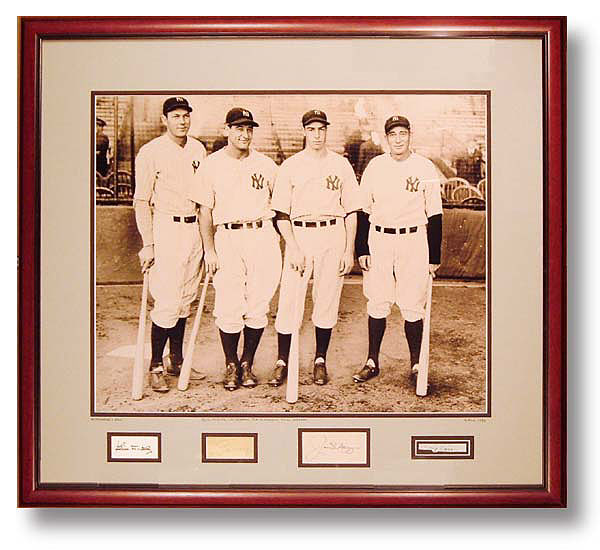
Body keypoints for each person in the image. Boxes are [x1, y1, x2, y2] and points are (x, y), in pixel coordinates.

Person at [189, 108, 281, 391]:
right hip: (227, 237)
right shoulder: (211, 165)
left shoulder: (267, 165)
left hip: (262, 235)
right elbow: (204, 212)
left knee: (257, 305)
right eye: (238, 128)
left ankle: (247, 363)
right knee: (229, 304)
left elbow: (281, 207)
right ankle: (230, 364)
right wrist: (210, 250)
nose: (244, 134)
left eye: (249, 128)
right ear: (226, 130)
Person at [269, 109, 361, 387]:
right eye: (312, 129)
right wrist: (293, 247)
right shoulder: (291, 166)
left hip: (333, 234)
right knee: (289, 301)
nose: (317, 134)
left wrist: (348, 250)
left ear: (326, 131)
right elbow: (281, 215)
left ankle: (320, 359)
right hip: (300, 236)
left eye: (322, 129)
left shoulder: (341, 165)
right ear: (304, 132)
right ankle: (282, 360)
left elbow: (352, 211)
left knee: (327, 299)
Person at [353, 115, 443, 384]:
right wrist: (361, 249)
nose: (398, 139)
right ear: (386, 138)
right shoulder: (375, 166)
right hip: (379, 239)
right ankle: (372, 361)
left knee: (412, 305)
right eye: (393, 134)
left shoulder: (425, 167)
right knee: (378, 301)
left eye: (403, 133)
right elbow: (363, 210)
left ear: (410, 135)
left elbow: (435, 214)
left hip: (413, 240)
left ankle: (416, 365)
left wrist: (434, 257)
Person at [133, 97, 207, 392]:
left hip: (194, 229)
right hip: (167, 227)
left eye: (186, 115)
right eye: (176, 116)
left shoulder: (198, 148)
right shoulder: (150, 152)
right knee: (166, 300)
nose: (182, 121)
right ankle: (155, 365)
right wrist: (148, 244)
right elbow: (141, 201)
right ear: (165, 119)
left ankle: (176, 359)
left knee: (186, 297)